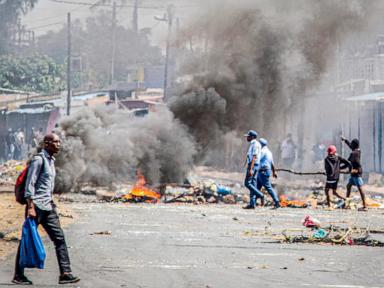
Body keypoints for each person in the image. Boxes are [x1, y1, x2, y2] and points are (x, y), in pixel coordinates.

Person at [12, 134, 80, 285]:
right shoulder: (39, 160)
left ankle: (65, 273)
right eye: (56, 142)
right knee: (27, 240)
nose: (59, 144)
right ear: (47, 144)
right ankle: (18, 275)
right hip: (35, 207)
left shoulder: (51, 160)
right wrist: (30, 207)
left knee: (59, 239)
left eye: (59, 141)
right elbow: (30, 184)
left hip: (48, 207)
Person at [341, 137, 367, 211]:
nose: (351, 145)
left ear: (354, 145)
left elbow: (347, 163)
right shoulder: (358, 150)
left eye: (352, 144)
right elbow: (351, 146)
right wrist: (345, 140)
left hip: (356, 172)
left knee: (360, 188)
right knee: (348, 186)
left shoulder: (354, 153)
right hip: (354, 172)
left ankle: (365, 206)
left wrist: (339, 168)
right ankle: (347, 203)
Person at [243, 130, 264, 209]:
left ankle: (260, 195)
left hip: (253, 165)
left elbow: (254, 157)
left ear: (252, 137)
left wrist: (251, 169)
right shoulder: (255, 144)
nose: (247, 138)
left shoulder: (255, 144)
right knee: (253, 184)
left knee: (247, 183)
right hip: (255, 165)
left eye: (248, 136)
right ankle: (252, 204)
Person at [257, 138, 280, 209]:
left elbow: (257, 159)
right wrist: (274, 172)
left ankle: (277, 202)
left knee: (268, 187)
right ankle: (253, 202)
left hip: (263, 171)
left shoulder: (262, 151)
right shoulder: (269, 152)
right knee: (257, 187)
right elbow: (272, 163)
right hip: (264, 171)